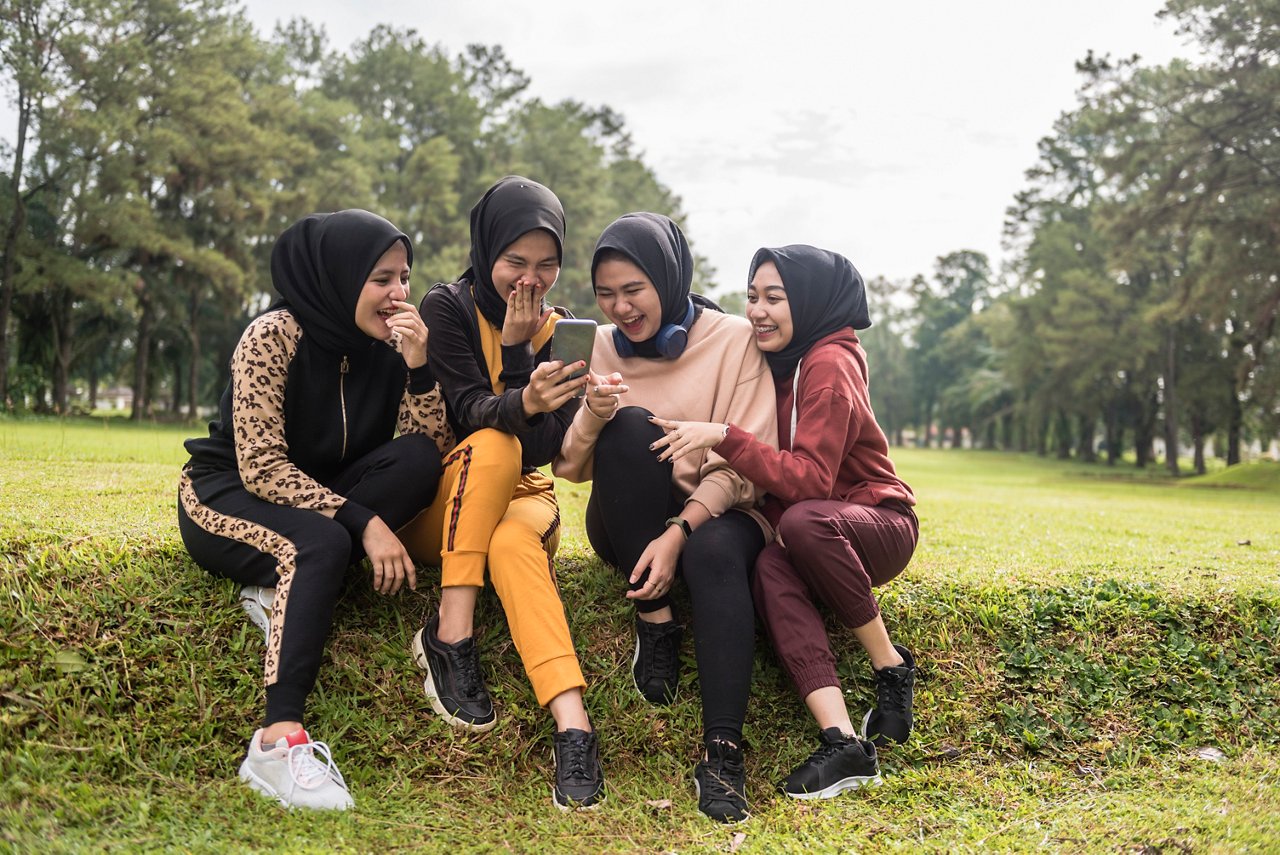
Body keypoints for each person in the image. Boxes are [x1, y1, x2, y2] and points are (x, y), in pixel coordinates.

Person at [178, 210, 452, 810]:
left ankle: (283, 589)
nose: (399, 293)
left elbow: (426, 449)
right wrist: (365, 521)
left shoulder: (390, 346)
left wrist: (419, 366)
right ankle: (277, 746)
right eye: (382, 278)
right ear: (339, 276)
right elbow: (262, 467)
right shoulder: (273, 335)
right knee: (321, 544)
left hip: (322, 493)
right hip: (229, 492)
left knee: (413, 463)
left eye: (405, 277)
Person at [648, 244, 919, 801]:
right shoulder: (789, 360)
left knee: (800, 523)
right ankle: (842, 740)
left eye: (775, 297)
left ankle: (890, 668)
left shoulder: (828, 363)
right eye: (751, 297)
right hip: (818, 528)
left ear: (812, 302)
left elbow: (812, 482)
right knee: (771, 565)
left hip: (877, 522)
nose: (757, 311)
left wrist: (724, 435)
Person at [553, 213, 779, 823]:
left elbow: (746, 465)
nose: (620, 308)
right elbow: (569, 468)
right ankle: (655, 621)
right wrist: (594, 414)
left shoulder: (733, 339)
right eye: (607, 294)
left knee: (713, 553)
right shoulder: (595, 344)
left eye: (634, 290)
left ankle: (724, 755)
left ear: (668, 278)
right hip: (626, 516)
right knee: (628, 424)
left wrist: (682, 530)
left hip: (717, 512)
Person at [399, 176, 603, 810]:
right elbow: (463, 415)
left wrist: (525, 356)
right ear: (487, 252)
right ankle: (449, 633)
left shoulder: (562, 329)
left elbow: (545, 451)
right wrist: (517, 366)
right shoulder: (448, 308)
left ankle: (574, 728)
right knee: (492, 443)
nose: (530, 280)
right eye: (515, 262)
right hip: (451, 498)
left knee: (516, 543)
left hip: (525, 497)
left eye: (547, 265)